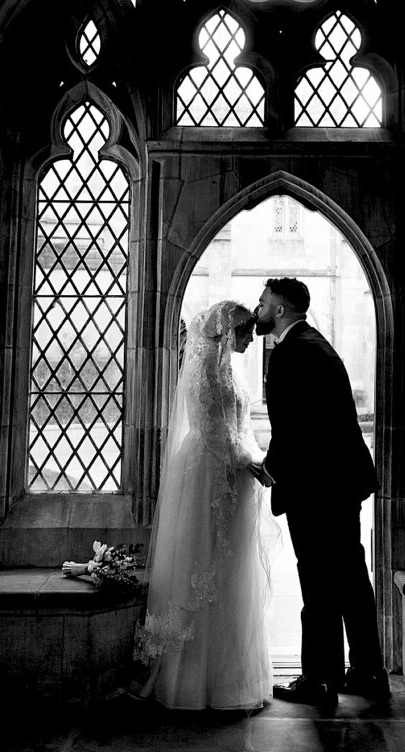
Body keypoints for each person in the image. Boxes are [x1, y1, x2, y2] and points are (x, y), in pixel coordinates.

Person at [131, 299, 276, 710]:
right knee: (203, 567)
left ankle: (230, 677)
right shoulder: (204, 371)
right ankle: (194, 681)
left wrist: (254, 456)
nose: (252, 339)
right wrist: (246, 461)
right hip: (207, 477)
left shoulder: (231, 367)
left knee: (230, 574)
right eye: (246, 332)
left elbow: (241, 423)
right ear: (227, 332)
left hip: (232, 473)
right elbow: (211, 427)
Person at [251, 277, 389, 708]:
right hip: (338, 484)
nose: (257, 308)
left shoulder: (293, 352)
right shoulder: (315, 344)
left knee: (318, 582)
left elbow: (293, 426)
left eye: (263, 302)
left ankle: (320, 681)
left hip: (317, 490)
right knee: (350, 580)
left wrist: (270, 469)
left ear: (280, 310)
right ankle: (368, 672)